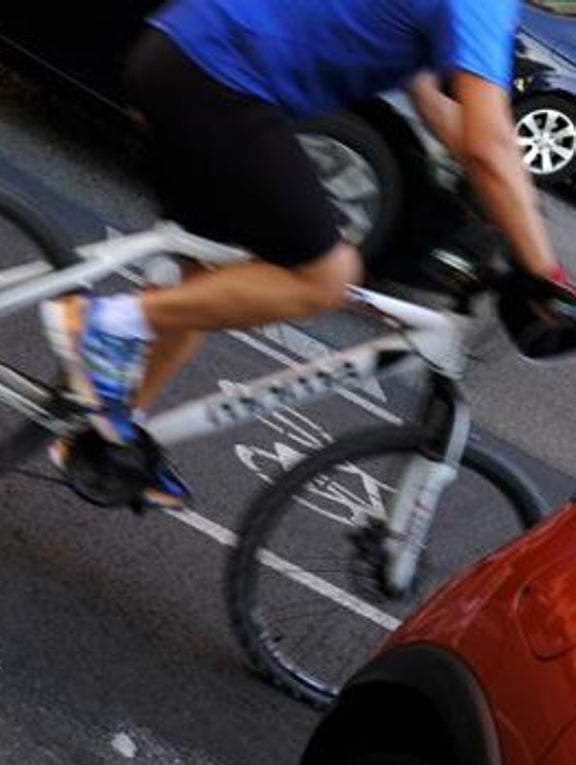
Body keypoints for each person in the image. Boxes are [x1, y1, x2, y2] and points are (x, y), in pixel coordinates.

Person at [43, 0, 566, 509]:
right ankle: (104, 325)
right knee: (328, 277)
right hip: (221, 80)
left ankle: (107, 436)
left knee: (204, 281)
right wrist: (546, 273)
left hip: (185, 53)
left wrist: (516, 208)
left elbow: (436, 107)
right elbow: (487, 146)